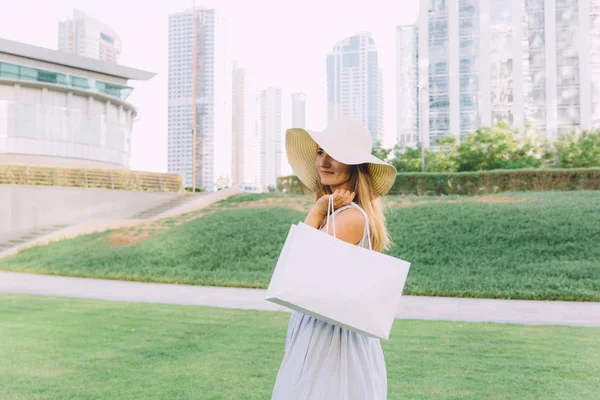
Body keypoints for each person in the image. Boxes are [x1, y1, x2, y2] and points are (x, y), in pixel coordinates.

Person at [272, 119, 398, 400]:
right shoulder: (343, 213)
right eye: (320, 152)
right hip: (328, 327)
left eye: (335, 155)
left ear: (355, 165)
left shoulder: (351, 217)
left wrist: (316, 213)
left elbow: (297, 270)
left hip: (330, 336)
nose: (324, 162)